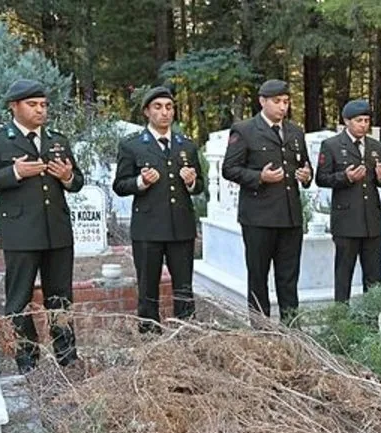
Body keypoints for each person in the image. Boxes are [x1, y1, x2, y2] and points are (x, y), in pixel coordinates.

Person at [0, 79, 84, 373]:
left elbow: (77, 182)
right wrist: (14, 172)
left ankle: (67, 356)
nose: (40, 110)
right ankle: (28, 360)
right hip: (21, 233)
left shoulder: (57, 140)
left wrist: (68, 177)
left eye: (43, 105)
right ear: (14, 107)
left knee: (60, 298)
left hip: (57, 231)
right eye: (32, 105)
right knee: (18, 299)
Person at [112, 86, 204, 333]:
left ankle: (185, 334)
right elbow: (120, 185)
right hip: (149, 229)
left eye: (169, 107)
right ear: (146, 112)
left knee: (184, 288)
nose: (165, 112)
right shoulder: (132, 146)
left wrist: (191, 181)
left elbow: (200, 186)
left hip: (181, 228)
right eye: (158, 107)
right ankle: (150, 337)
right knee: (148, 289)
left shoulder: (186, 145)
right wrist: (141, 182)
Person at [221, 79, 313, 323]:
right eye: (277, 102)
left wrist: (306, 176)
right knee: (258, 275)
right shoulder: (245, 130)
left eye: (286, 102)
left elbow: (304, 165)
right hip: (259, 216)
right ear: (262, 101)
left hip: (290, 215)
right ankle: (261, 328)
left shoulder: (295, 131)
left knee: (289, 276)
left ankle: (292, 326)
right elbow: (229, 169)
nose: (283, 107)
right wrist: (259, 176)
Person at [316, 99, 381, 302]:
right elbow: (321, 178)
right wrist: (345, 177)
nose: (363, 125)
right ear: (346, 121)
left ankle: (374, 316)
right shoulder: (331, 145)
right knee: (344, 273)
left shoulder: (375, 146)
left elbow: (380, 182)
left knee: (374, 275)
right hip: (347, 220)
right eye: (359, 120)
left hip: (371, 220)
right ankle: (341, 317)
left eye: (366, 120)